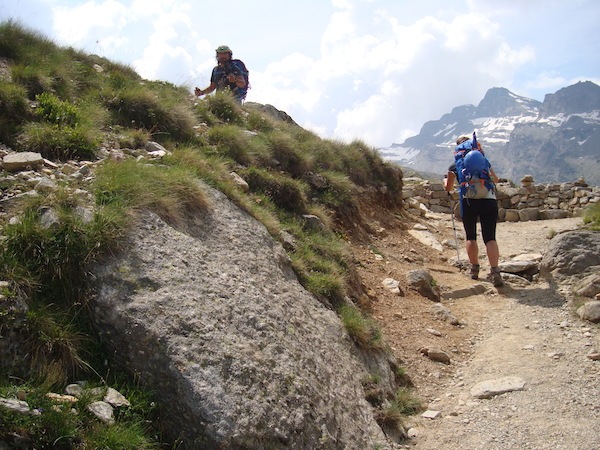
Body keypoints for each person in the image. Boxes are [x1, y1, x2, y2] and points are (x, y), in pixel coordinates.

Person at [443, 135, 504, 287]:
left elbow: (448, 188)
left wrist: (446, 181)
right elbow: (496, 180)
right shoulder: (483, 160)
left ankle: (474, 270)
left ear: (458, 148)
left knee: (471, 236)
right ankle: (495, 272)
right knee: (490, 237)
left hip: (468, 201)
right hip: (488, 200)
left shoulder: (455, 165)